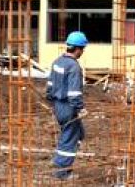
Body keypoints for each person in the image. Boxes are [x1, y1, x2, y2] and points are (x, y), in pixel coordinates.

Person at [46, 31, 88, 180]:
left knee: (78, 133)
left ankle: (60, 160)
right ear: (78, 49)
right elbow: (74, 93)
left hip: (58, 105)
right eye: (82, 49)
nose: (82, 52)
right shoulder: (73, 67)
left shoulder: (57, 62)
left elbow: (50, 86)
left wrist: (52, 103)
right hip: (68, 107)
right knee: (70, 137)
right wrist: (80, 108)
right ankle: (62, 171)